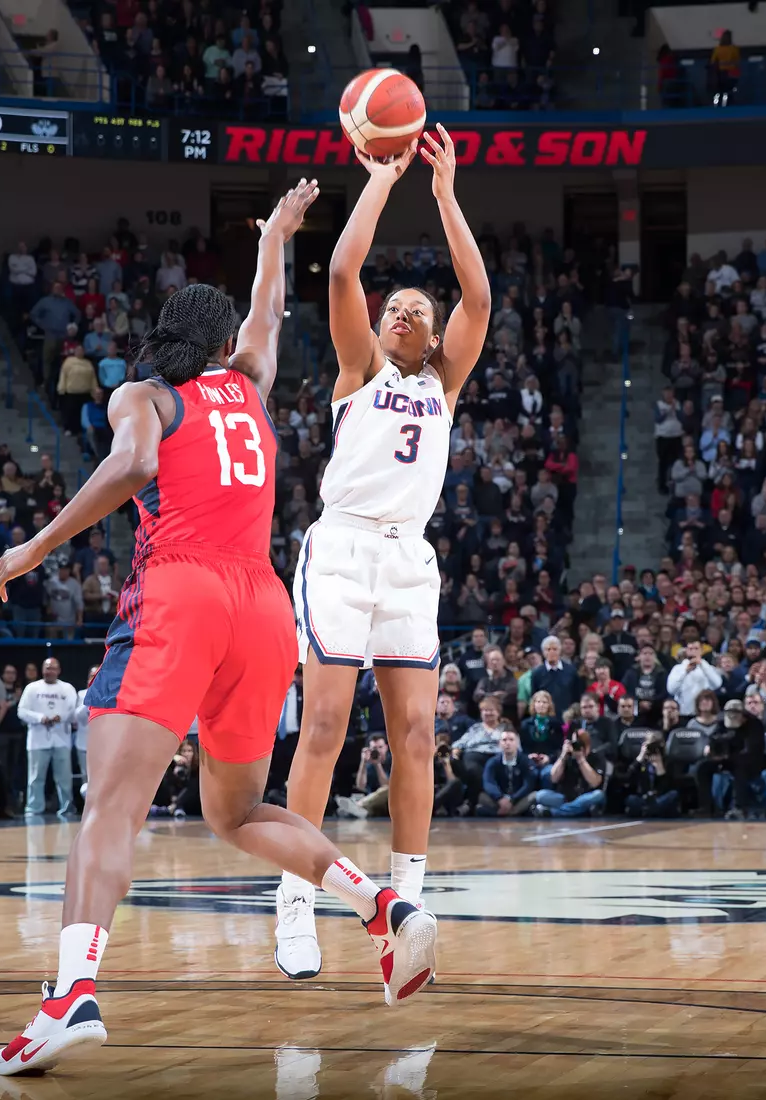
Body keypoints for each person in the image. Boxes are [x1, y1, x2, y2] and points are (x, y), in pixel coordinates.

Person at [0, 179, 437, 1078]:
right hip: (263, 607)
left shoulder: (145, 396)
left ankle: (72, 994)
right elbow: (269, 312)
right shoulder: (249, 384)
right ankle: (381, 907)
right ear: (224, 346)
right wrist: (276, 238)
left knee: (110, 808)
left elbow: (132, 467)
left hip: (181, 590)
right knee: (235, 810)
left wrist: (35, 546)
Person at [277, 126, 490, 981]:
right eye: (393, 305)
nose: (403, 312)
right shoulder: (360, 370)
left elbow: (479, 297)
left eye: (418, 311)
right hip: (342, 547)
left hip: (408, 561)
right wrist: (380, 180)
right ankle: (295, 901)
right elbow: (340, 273)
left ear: (433, 338)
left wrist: (445, 196)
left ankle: (407, 910)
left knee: (417, 734)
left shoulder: (444, 382)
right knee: (326, 725)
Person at [18, 657, 79, 818]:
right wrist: (40, 718)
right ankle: (34, 808)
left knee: (64, 778)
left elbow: (73, 711)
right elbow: (22, 711)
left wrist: (61, 717)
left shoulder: (67, 688)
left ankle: (67, 807)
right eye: (47, 668)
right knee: (35, 777)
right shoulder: (32, 688)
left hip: (61, 739)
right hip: (37, 740)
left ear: (58, 670)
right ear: (42, 670)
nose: (50, 671)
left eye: (53, 668)